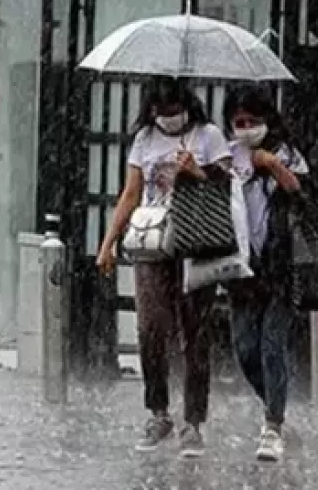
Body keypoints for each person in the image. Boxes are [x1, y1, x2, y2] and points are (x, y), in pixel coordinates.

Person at [96, 76, 232, 458]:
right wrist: (109, 243)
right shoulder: (145, 139)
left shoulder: (208, 136)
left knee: (195, 331)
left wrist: (196, 173)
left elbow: (227, 187)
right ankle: (158, 410)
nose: (167, 118)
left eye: (173, 110)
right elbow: (131, 193)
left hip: (196, 241)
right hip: (154, 242)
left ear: (185, 105)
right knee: (150, 327)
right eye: (160, 111)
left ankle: (193, 419)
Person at [222, 85, 307, 462]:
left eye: (252, 121)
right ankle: (276, 405)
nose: (245, 128)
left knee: (272, 344)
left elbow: (302, 191)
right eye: (238, 122)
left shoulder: (286, 152)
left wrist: (271, 163)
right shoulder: (225, 155)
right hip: (241, 268)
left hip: (280, 265)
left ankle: (273, 424)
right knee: (245, 348)